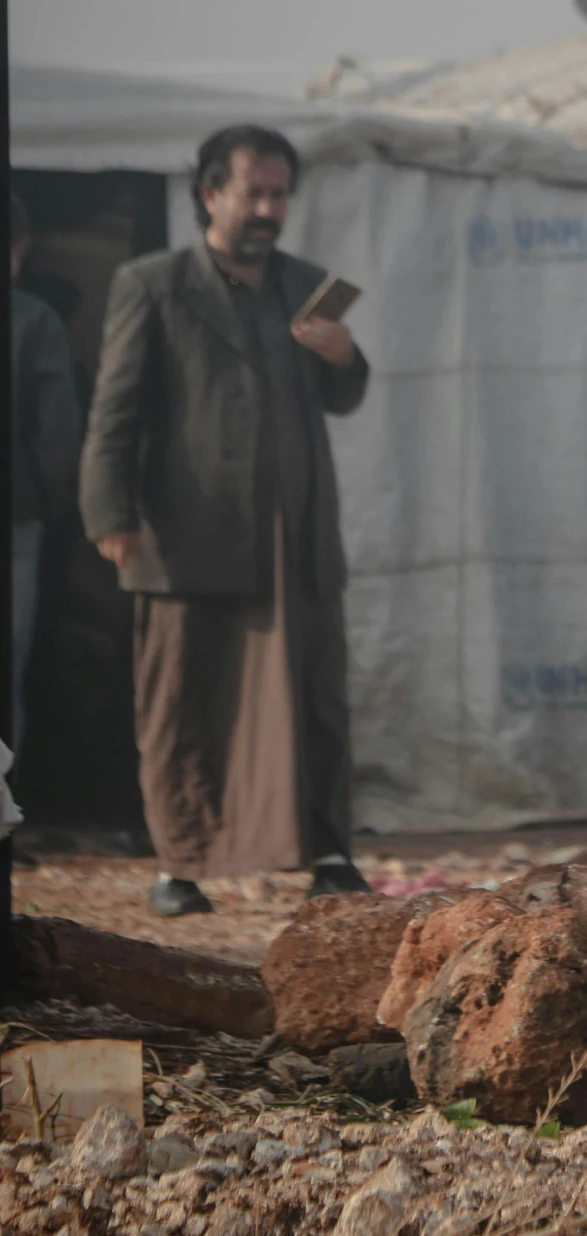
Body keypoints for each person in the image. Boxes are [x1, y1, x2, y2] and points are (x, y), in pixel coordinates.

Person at [79, 126, 371, 916]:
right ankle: (180, 864)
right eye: (255, 194)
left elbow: (342, 397)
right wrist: (109, 509)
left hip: (295, 538)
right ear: (210, 194)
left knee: (314, 700)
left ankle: (330, 853)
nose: (269, 210)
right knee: (184, 702)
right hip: (188, 535)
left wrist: (344, 355)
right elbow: (114, 413)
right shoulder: (154, 284)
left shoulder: (307, 284)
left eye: (280, 195)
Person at [10, 195, 82, 754]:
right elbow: (56, 430)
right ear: (21, 248)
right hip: (15, 516)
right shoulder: (34, 320)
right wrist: (53, 502)